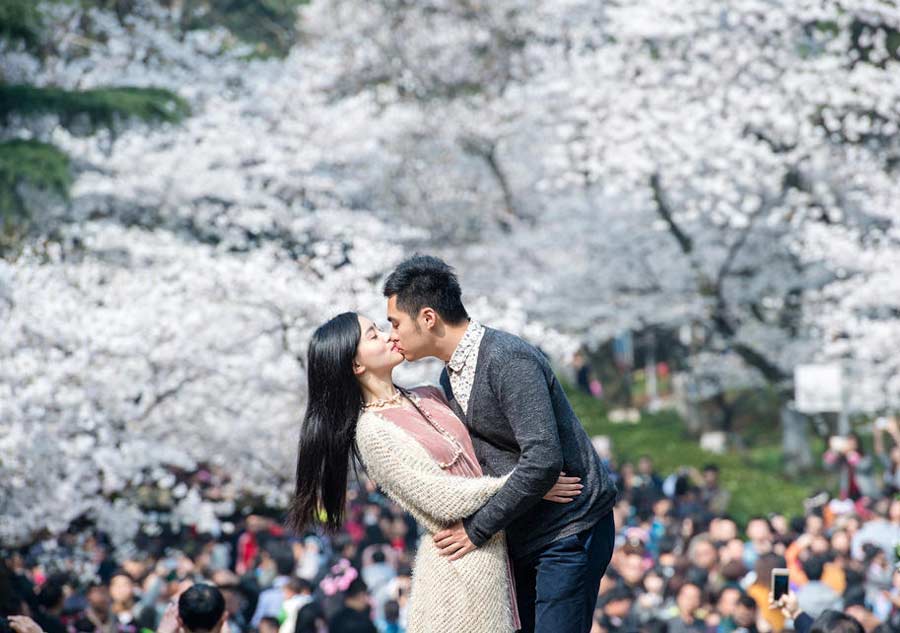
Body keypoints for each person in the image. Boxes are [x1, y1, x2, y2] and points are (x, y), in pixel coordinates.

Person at [285, 312, 581, 633]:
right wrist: (526, 484)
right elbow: (441, 499)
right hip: (457, 574)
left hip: (497, 547)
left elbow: (487, 450)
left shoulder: (429, 394)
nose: (388, 336)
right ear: (356, 365)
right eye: (373, 335)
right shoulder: (373, 432)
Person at [383, 255, 619, 633]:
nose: (391, 334)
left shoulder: (507, 359)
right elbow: (509, 462)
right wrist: (528, 482)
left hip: (568, 528)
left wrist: (476, 529)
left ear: (428, 318)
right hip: (525, 531)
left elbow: (542, 459)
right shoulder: (450, 378)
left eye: (395, 323)